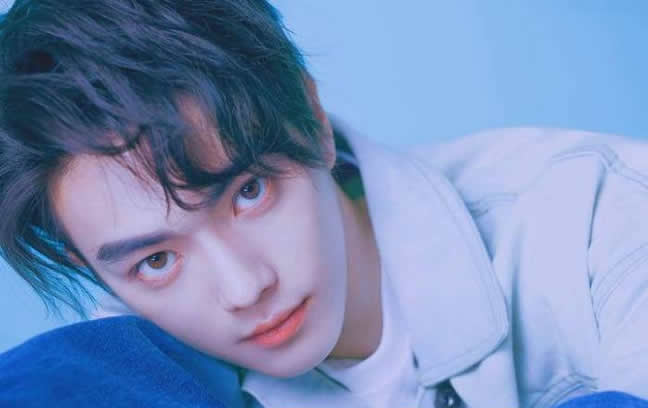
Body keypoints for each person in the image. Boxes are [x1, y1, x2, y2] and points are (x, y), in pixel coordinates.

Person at [0, 1, 648, 407]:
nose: (245, 288)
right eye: (157, 261)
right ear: (86, 264)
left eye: (249, 193)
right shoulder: (110, 371)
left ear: (310, 119)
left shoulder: (599, 213)